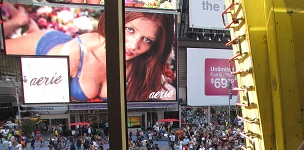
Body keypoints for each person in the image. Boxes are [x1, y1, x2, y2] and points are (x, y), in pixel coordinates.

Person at [4, 11, 176, 102]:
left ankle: (26, 22)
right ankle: (20, 20)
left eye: (147, 40)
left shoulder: (143, 66)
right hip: (47, 44)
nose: (133, 45)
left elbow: (170, 96)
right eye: (129, 29)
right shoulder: (72, 53)